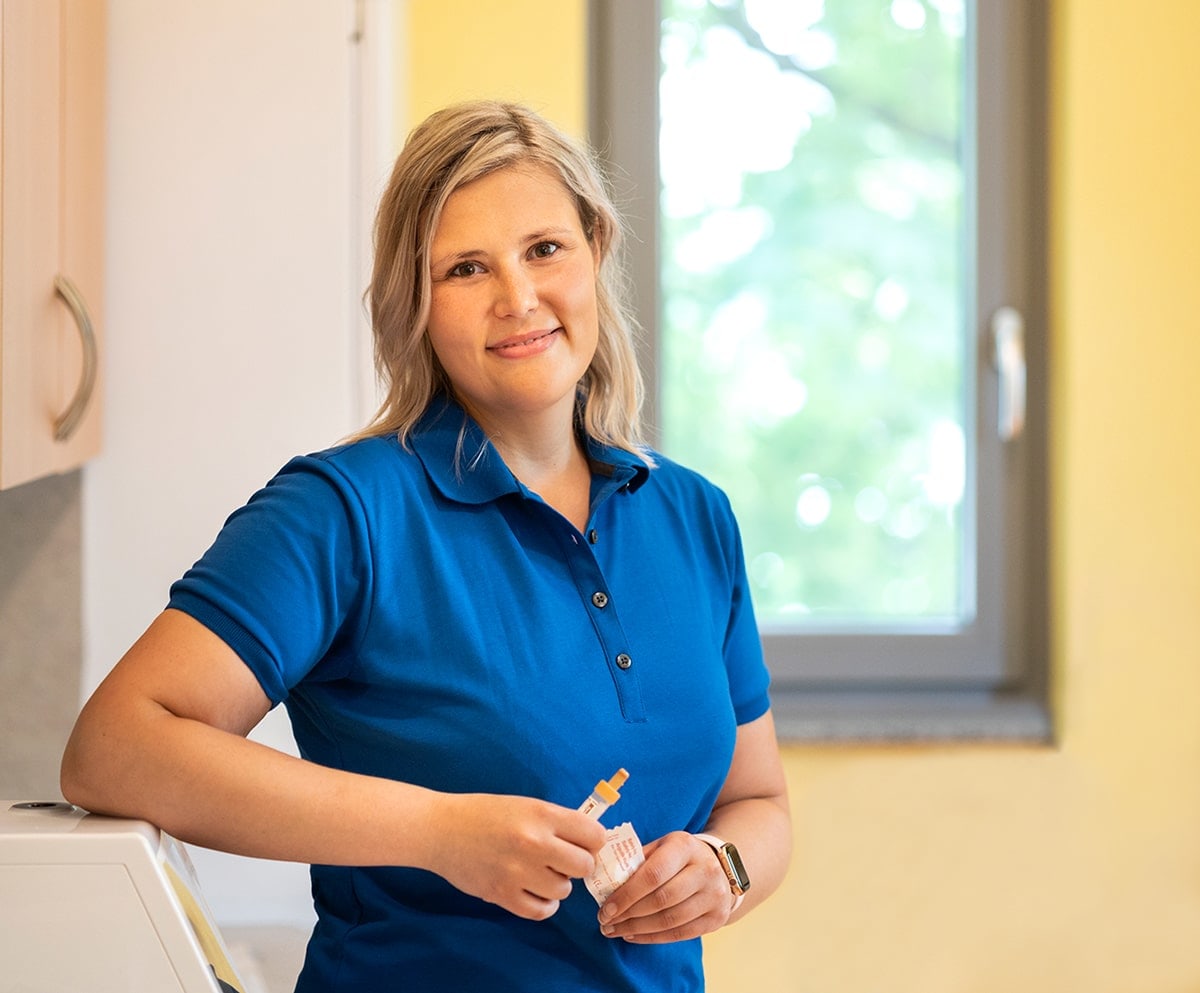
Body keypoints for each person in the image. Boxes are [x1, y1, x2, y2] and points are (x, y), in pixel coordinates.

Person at [61, 100, 791, 992]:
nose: (517, 298)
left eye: (545, 249)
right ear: (417, 303)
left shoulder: (695, 517)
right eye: (466, 268)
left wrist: (726, 865)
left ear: (597, 249)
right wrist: (438, 833)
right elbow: (115, 747)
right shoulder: (342, 513)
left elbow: (758, 801)